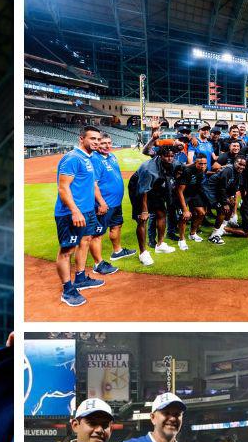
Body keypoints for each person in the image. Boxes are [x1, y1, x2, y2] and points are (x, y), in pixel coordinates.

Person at [54, 125, 108, 308]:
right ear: (81, 139)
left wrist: (99, 203)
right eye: (92, 139)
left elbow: (90, 185)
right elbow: (63, 187)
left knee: (85, 240)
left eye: (98, 140)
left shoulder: (89, 158)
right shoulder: (72, 158)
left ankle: (80, 278)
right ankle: (67, 290)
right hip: (70, 213)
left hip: (87, 211)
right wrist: (75, 211)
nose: (96, 142)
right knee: (66, 250)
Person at [128, 145, 179, 267]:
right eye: (166, 156)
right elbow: (144, 190)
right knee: (142, 220)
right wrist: (145, 211)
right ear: (160, 156)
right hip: (139, 188)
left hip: (155, 186)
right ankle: (143, 253)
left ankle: (160, 245)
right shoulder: (149, 169)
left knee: (162, 212)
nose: (169, 158)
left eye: (172, 156)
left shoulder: (172, 162)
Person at [91, 134, 136, 264]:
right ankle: (98, 263)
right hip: (104, 203)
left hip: (116, 202)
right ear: (98, 144)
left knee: (117, 225)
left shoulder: (112, 156)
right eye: (104, 143)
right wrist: (101, 203)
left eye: (109, 143)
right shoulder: (95, 159)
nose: (107, 146)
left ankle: (117, 252)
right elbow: (93, 184)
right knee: (97, 233)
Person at [174, 155, 210, 247]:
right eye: (200, 164)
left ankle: (192, 234)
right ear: (195, 163)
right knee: (184, 216)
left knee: (201, 213)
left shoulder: (204, 169)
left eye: (204, 164)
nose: (203, 166)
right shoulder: (187, 171)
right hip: (183, 194)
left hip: (194, 193)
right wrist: (185, 209)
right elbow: (179, 191)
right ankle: (181, 239)